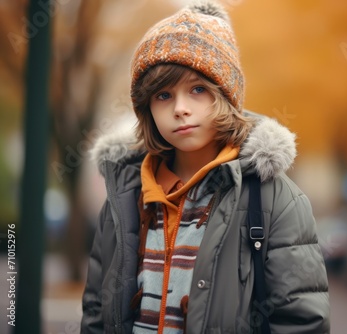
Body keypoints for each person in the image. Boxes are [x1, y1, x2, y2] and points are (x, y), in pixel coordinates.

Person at [81, 1, 330, 333]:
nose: (180, 109)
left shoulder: (276, 200)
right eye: (163, 95)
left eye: (198, 89)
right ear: (147, 109)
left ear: (225, 96)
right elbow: (97, 311)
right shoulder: (125, 195)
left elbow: (301, 322)